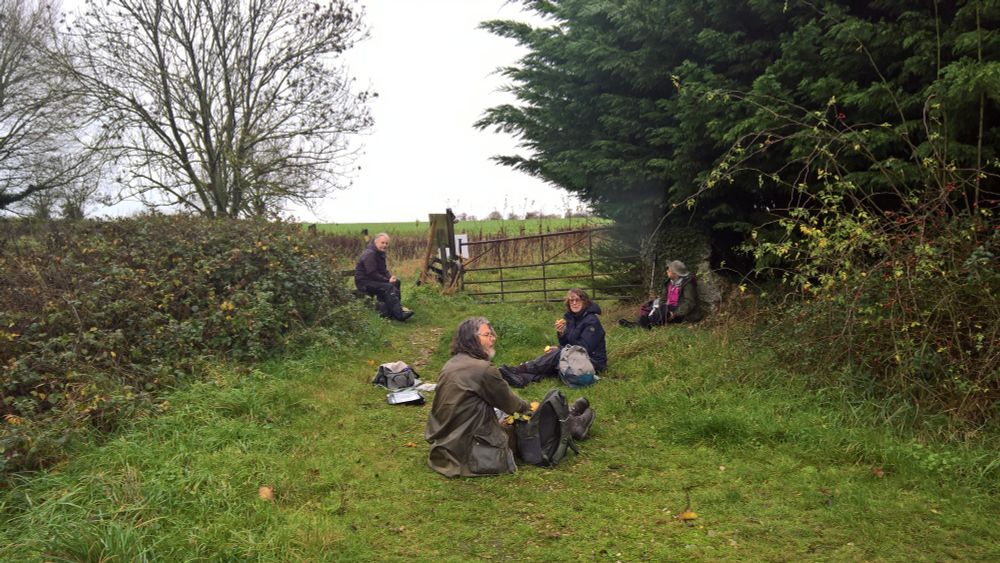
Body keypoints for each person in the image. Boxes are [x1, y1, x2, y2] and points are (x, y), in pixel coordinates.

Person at [425, 317, 593, 477]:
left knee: (510, 416)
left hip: (447, 445)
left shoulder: (451, 364)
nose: (493, 338)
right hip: (472, 451)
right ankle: (572, 422)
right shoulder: (483, 370)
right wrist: (533, 409)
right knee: (528, 420)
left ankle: (569, 415)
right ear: (471, 339)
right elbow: (513, 405)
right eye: (487, 335)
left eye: (492, 334)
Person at [498, 288, 607, 387]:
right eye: (571, 300)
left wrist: (560, 349)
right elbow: (566, 343)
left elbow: (584, 348)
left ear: (585, 302)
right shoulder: (571, 318)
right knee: (553, 364)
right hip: (577, 358)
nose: (574, 303)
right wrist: (561, 333)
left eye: (577, 300)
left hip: (592, 362)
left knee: (558, 354)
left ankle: (517, 370)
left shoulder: (592, 321)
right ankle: (521, 379)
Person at [620, 260, 701, 329]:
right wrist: (659, 307)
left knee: (663, 309)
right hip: (669, 309)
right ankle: (640, 322)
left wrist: (675, 314)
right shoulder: (669, 282)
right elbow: (663, 299)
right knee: (651, 305)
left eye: (669, 270)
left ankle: (640, 325)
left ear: (675, 273)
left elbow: (689, 302)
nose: (667, 271)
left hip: (680, 313)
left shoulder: (687, 284)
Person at [354, 232, 413, 321]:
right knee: (389, 287)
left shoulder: (379, 253)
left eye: (386, 243)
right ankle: (399, 315)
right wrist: (387, 280)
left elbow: (383, 270)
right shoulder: (370, 254)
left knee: (396, 282)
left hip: (373, 280)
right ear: (376, 242)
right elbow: (372, 273)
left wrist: (390, 277)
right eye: (382, 243)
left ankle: (393, 310)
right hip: (364, 282)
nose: (385, 245)